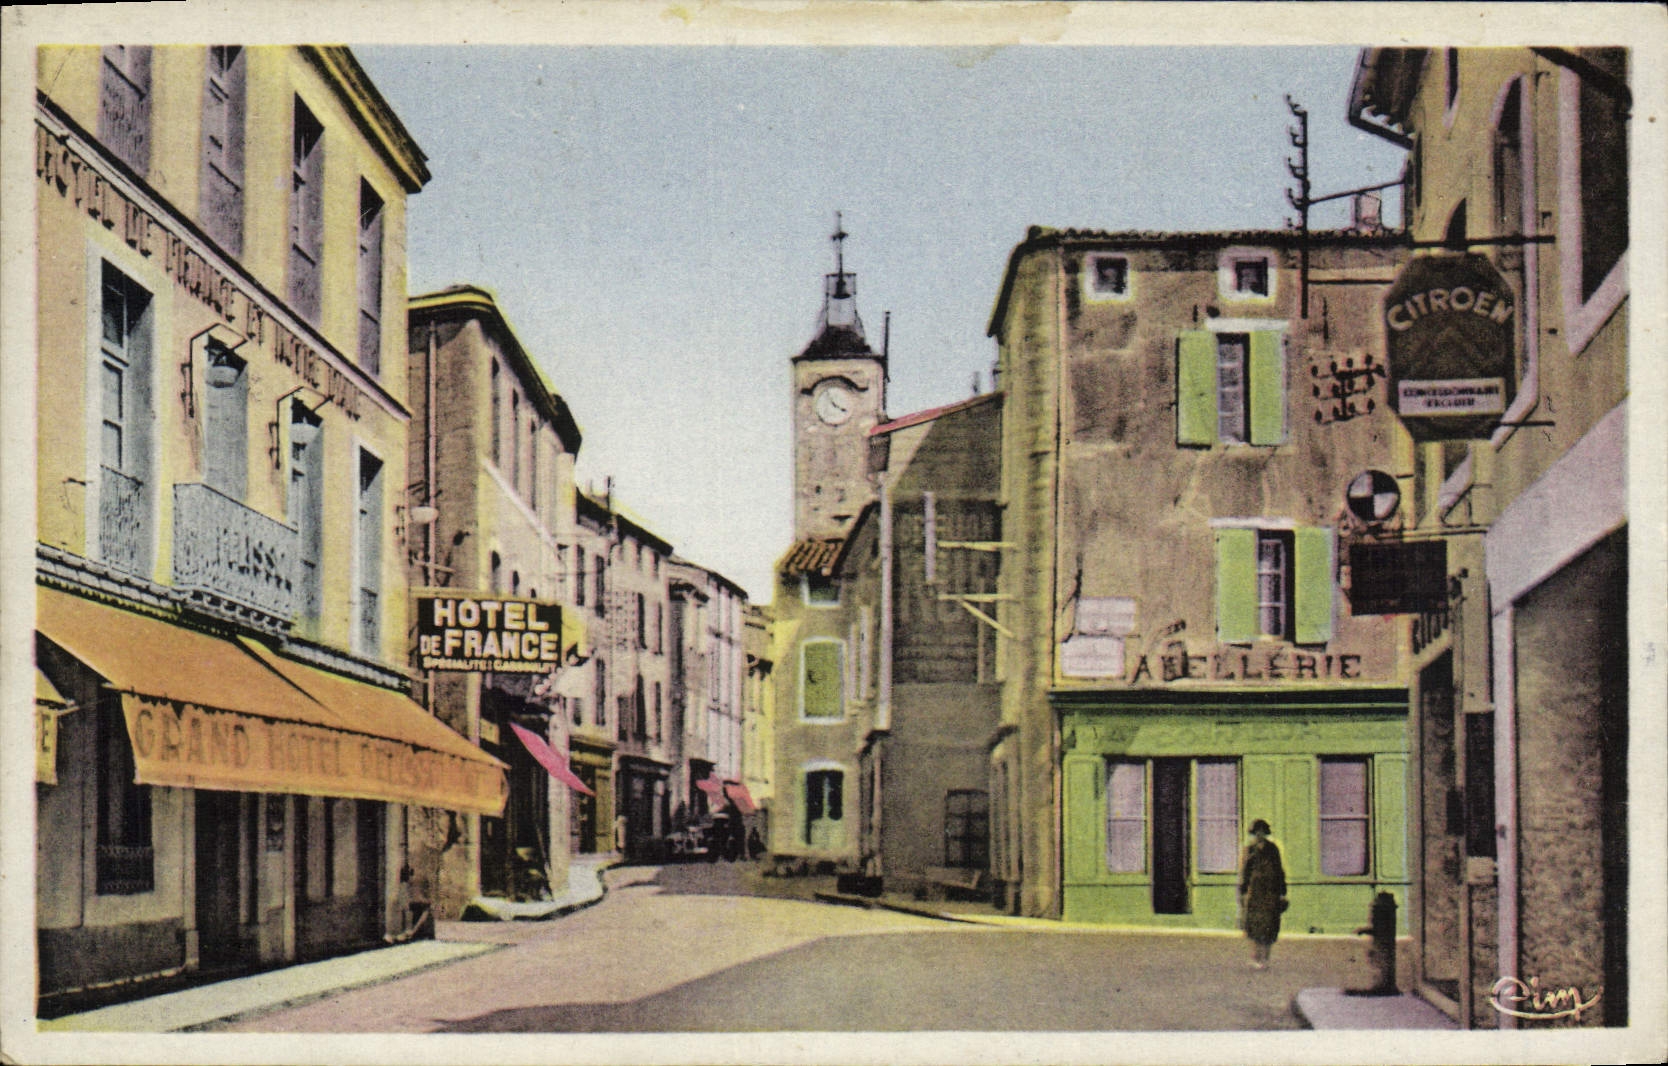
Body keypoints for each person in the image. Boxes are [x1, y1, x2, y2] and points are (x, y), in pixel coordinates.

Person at [1238, 818, 1287, 970]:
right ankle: (1255, 957)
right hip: (1255, 892)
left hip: (1270, 892)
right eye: (1256, 832)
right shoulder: (1250, 850)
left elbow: (1279, 870)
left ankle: (1265, 958)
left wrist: (1282, 892)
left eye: (1261, 832)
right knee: (1254, 927)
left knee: (1269, 927)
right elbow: (1245, 871)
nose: (1259, 835)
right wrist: (1243, 891)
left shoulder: (1273, 849)